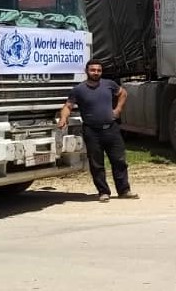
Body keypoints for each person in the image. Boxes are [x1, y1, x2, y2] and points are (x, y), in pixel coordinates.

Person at [59, 60, 139, 202]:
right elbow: (68, 106)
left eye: (98, 70)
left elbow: (123, 93)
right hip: (92, 132)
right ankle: (103, 192)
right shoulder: (79, 89)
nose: (96, 72)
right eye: (93, 70)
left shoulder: (109, 84)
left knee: (119, 161)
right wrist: (63, 118)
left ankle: (124, 190)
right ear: (86, 71)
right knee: (96, 164)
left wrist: (118, 109)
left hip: (111, 129)